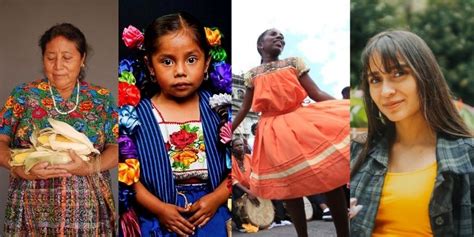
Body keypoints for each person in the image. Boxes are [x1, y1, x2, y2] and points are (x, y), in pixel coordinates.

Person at [350, 30, 474, 236]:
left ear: (425, 75)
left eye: (398, 74)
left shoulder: (467, 156)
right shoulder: (357, 152)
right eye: (375, 80)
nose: (386, 91)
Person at [0, 23, 117, 235]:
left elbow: (117, 147)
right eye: (50, 57)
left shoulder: (101, 98)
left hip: (88, 209)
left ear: (82, 60)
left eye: (67, 57)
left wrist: (88, 168)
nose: (58, 66)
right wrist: (19, 169)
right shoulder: (24, 95)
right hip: (30, 206)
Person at [232, 28, 350, 237]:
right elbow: (243, 109)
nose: (280, 38)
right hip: (273, 132)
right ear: (260, 45)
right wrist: (227, 131)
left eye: (282, 38)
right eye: (273, 35)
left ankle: (343, 233)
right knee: (288, 187)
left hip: (301, 122)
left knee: (329, 175)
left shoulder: (294, 63)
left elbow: (316, 93)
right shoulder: (252, 75)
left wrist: (347, 110)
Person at [130, 12, 231, 236]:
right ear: (150, 65)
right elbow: (127, 176)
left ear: (207, 63)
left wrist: (217, 198)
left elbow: (240, 167)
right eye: (167, 61)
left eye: (191, 59)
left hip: (209, 215)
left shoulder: (220, 109)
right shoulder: (135, 116)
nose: (180, 71)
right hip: (159, 218)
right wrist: (159, 209)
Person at [231, 137, 260, 232]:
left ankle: (264, 219)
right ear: (232, 148)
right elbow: (233, 179)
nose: (240, 147)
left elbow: (256, 172)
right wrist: (248, 191)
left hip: (250, 186)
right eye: (237, 145)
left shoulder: (249, 157)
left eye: (241, 145)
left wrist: (253, 188)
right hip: (236, 188)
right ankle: (240, 224)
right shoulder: (230, 160)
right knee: (232, 196)